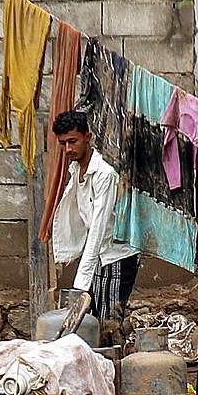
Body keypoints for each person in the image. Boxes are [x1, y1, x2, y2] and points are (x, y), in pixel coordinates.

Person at [49, 110, 138, 330]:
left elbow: (98, 228)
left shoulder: (104, 174)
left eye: (73, 141)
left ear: (87, 137)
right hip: (99, 256)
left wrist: (81, 281)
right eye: (63, 144)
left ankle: (112, 364)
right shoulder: (76, 169)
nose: (68, 149)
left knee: (108, 326)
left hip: (116, 258)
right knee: (92, 322)